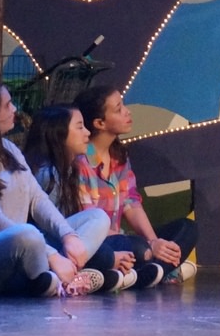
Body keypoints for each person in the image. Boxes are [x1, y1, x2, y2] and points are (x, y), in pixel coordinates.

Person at [0, 79, 105, 297]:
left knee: (97, 218)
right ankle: (56, 280)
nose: (15, 109)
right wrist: (53, 255)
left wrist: (68, 236)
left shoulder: (9, 149)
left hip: (29, 250)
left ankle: (59, 280)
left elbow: (37, 198)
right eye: (7, 105)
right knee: (27, 233)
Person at [74, 85, 199, 285]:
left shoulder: (118, 157)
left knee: (187, 228)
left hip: (123, 240)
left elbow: (131, 203)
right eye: (118, 109)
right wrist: (148, 245)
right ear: (99, 123)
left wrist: (154, 240)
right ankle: (161, 271)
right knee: (139, 248)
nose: (127, 112)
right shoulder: (81, 162)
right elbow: (90, 226)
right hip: (101, 243)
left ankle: (151, 273)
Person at [25, 105, 158, 291]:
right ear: (59, 134)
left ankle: (100, 273)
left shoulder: (68, 169)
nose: (87, 133)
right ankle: (76, 275)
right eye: (80, 127)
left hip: (70, 245)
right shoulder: (49, 175)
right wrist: (111, 257)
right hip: (46, 248)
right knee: (117, 243)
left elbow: (131, 202)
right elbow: (52, 231)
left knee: (126, 242)